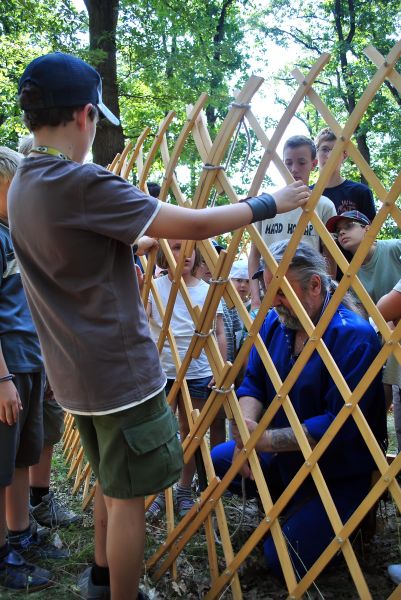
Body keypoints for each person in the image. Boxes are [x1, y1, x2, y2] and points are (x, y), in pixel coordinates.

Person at [8, 52, 310, 600]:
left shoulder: (25, 185)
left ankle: (101, 579)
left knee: (110, 481)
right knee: (130, 501)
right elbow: (191, 223)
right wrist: (270, 201)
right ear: (83, 116)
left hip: (76, 376)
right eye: (96, 117)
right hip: (120, 376)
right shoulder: (81, 183)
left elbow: (78, 250)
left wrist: (136, 240)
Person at [212, 240, 387, 579]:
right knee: (223, 459)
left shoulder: (354, 336)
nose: (273, 302)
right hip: (288, 459)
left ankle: (329, 520)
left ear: (315, 285)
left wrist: (261, 442)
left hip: (338, 471)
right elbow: (253, 382)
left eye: (281, 292)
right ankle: (289, 501)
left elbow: (339, 427)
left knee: (282, 560)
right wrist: (248, 428)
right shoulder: (275, 324)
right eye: (268, 291)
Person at [0, 147, 66, 594]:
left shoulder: (13, 234)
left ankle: (19, 536)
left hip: (28, 363)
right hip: (5, 369)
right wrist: (2, 378)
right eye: (14, 188)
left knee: (24, 455)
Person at [17, 134, 80, 528]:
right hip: (22, 349)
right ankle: (21, 516)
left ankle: (39, 499)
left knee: (47, 425)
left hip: (46, 345)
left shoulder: (50, 220)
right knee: (23, 438)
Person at [147, 240, 226, 519]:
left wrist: (219, 369)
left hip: (197, 371)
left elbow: (218, 331)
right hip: (162, 372)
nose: (186, 254)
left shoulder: (206, 291)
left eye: (191, 248)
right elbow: (141, 326)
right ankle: (158, 492)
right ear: (166, 253)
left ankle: (182, 490)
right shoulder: (155, 288)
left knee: (189, 431)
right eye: (178, 247)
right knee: (159, 432)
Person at [248, 135, 337, 310]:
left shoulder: (323, 206)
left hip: (308, 295)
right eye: (288, 163)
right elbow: (254, 255)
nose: (294, 169)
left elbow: (330, 257)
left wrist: (325, 294)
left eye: (301, 162)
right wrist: (256, 299)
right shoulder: (267, 204)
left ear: (313, 164)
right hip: (270, 295)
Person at [314, 127, 376, 220]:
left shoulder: (360, 192)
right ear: (316, 153)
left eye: (336, 150)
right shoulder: (308, 195)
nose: (330, 156)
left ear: (345, 155)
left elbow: (370, 232)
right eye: (324, 149)